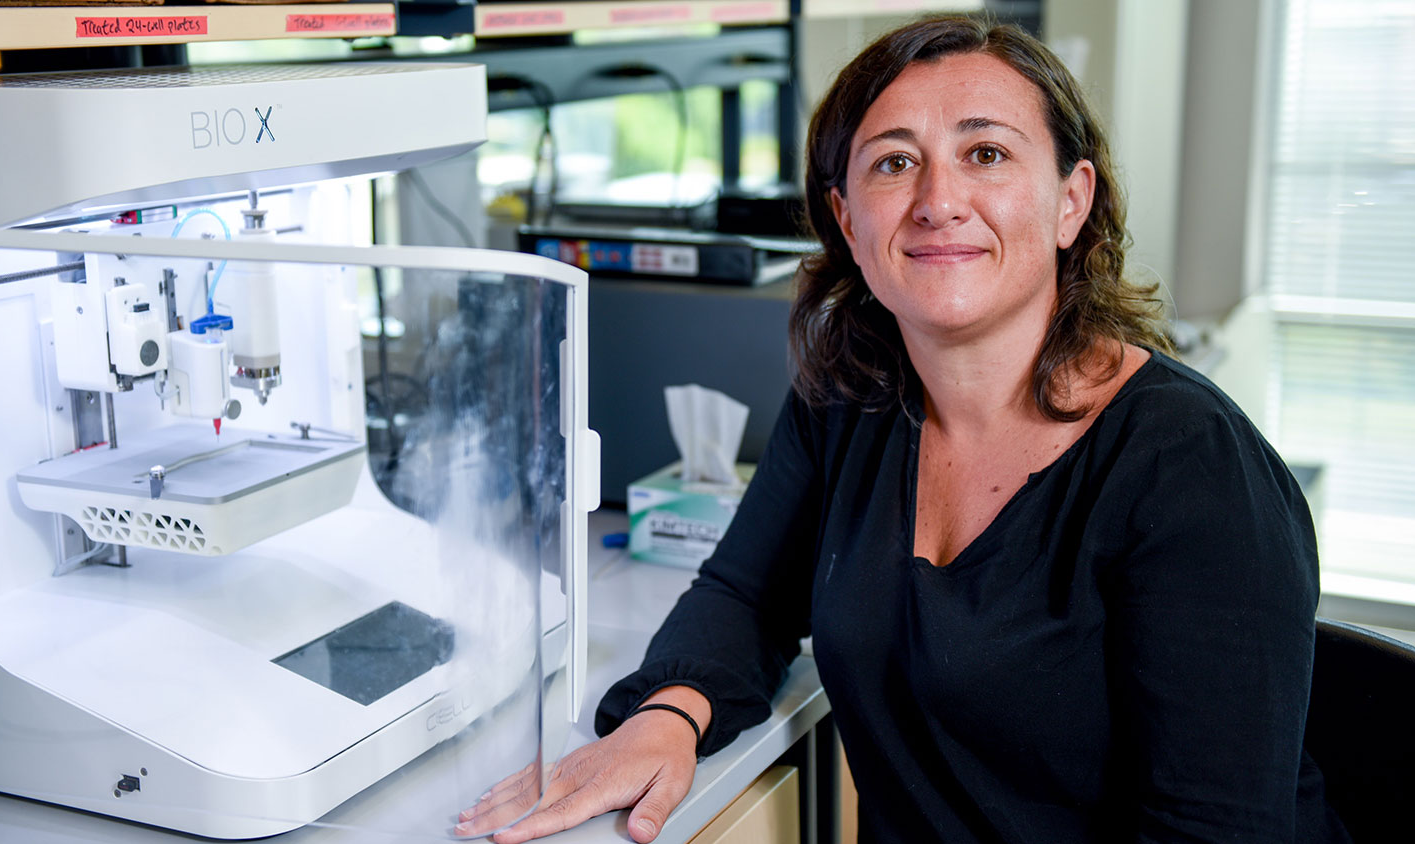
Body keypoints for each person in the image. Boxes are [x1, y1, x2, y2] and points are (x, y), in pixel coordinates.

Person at [459, 15, 1349, 843]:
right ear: (847, 219)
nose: (937, 201)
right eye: (892, 164)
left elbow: (1213, 833)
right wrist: (666, 716)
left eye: (987, 153)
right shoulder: (852, 400)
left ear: (1071, 201)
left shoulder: (1189, 466)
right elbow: (746, 595)